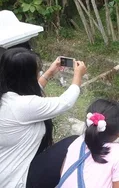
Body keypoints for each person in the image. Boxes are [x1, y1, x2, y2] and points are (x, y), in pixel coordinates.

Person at [0, 47, 87, 188]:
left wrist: (50, 73)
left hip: (5, 173)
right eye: (37, 70)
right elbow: (65, 102)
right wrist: (78, 75)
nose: (39, 72)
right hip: (17, 181)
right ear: (26, 76)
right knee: (74, 142)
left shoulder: (6, 96)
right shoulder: (22, 106)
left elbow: (27, 95)